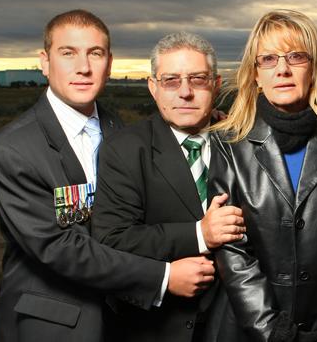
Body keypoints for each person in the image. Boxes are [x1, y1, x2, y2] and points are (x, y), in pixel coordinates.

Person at [0, 10, 209, 342]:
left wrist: (210, 120)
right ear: (45, 62)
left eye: (95, 53)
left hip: (126, 319)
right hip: (55, 322)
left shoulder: (117, 127)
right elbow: (60, 247)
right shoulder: (12, 150)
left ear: (109, 62)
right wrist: (162, 277)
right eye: (68, 53)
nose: (84, 67)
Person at [206, 9, 317, 342]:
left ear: (314, 68)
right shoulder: (228, 143)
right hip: (249, 329)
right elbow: (233, 252)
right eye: (269, 59)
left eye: (296, 56)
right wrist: (273, 332)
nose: (283, 69)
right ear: (256, 74)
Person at [90, 31, 245, 341]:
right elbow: (112, 238)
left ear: (215, 85)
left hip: (237, 323)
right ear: (153, 88)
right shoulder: (124, 149)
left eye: (198, 80)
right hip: (157, 327)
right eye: (171, 81)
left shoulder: (241, 141)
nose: (184, 92)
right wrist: (200, 234)